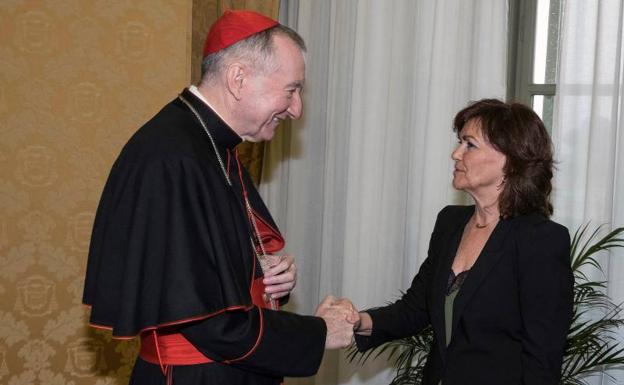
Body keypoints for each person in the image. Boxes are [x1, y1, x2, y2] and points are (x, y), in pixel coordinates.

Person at [82, 10, 356, 385]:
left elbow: (202, 273)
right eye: (291, 90)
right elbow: (211, 323)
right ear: (238, 79)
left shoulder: (207, 144)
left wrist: (260, 272)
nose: (296, 109)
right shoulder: (174, 158)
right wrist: (319, 332)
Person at [352, 99, 574, 385]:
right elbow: (415, 309)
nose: (455, 154)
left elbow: (542, 359)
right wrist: (359, 321)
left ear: (510, 159)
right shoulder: (450, 222)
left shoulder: (541, 241)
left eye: (469, 145)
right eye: (459, 142)